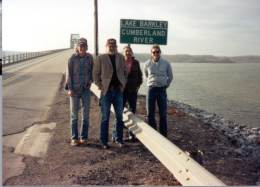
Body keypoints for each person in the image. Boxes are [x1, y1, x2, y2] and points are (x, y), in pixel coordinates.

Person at [93, 38, 128, 149]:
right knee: (105, 117)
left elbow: (125, 73)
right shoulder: (100, 58)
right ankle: (104, 141)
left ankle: (119, 139)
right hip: (106, 92)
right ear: (106, 46)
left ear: (116, 46)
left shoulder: (121, 57)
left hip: (118, 91)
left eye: (114, 45)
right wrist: (101, 87)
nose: (112, 47)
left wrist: (123, 85)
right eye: (110, 45)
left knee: (119, 116)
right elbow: (95, 75)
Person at [65, 38, 93, 146]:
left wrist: (91, 81)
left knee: (86, 115)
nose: (82, 48)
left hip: (85, 89)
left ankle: (83, 137)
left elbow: (92, 71)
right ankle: (74, 138)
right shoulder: (72, 58)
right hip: (74, 90)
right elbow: (68, 74)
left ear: (86, 47)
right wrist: (70, 89)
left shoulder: (90, 58)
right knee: (74, 115)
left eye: (84, 46)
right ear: (77, 47)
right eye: (80, 46)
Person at [112, 46, 142, 141]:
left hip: (133, 92)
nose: (128, 53)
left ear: (132, 52)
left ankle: (131, 134)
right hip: (121, 92)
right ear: (123, 52)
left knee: (132, 113)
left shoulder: (136, 63)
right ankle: (115, 134)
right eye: (126, 51)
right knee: (119, 113)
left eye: (129, 51)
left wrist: (137, 86)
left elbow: (140, 76)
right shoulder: (119, 62)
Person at [144, 45, 173, 137]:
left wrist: (165, 85)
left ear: (160, 52)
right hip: (151, 90)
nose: (156, 53)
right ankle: (153, 134)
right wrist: (150, 83)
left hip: (162, 90)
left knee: (163, 114)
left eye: (157, 52)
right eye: (154, 52)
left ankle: (163, 135)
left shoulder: (166, 63)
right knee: (150, 113)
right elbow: (146, 75)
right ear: (151, 53)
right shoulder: (147, 64)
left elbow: (170, 77)